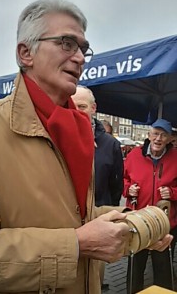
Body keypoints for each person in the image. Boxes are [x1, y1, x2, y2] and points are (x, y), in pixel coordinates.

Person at [0, 0, 171, 294]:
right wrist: (77, 245)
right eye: (67, 43)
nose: (80, 57)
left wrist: (137, 224)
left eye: (83, 48)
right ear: (25, 53)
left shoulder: (78, 130)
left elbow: (74, 217)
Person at [72, 86, 124, 290]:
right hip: (67, 224)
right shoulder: (57, 136)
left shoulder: (110, 144)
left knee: (94, 279)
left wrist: (110, 214)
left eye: (82, 106)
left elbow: (116, 184)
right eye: (72, 105)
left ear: (93, 109)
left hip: (99, 217)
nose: (76, 111)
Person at [123, 118, 177, 293]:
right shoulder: (133, 155)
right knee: (135, 268)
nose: (158, 139)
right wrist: (128, 189)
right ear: (149, 135)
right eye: (155, 133)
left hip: (164, 223)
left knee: (163, 269)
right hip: (138, 222)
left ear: (169, 139)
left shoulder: (176, 157)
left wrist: (173, 193)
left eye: (163, 135)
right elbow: (122, 180)